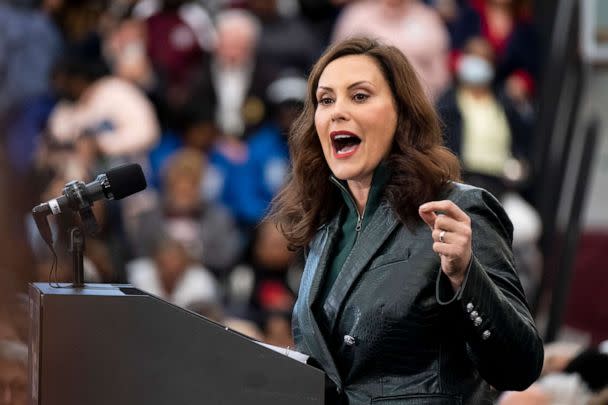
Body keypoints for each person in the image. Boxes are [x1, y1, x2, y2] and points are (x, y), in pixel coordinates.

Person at [270, 37, 543, 404]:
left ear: (402, 112)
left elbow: (519, 367)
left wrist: (466, 275)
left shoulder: (459, 209)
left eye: (360, 96)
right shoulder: (327, 226)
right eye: (326, 100)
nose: (337, 111)